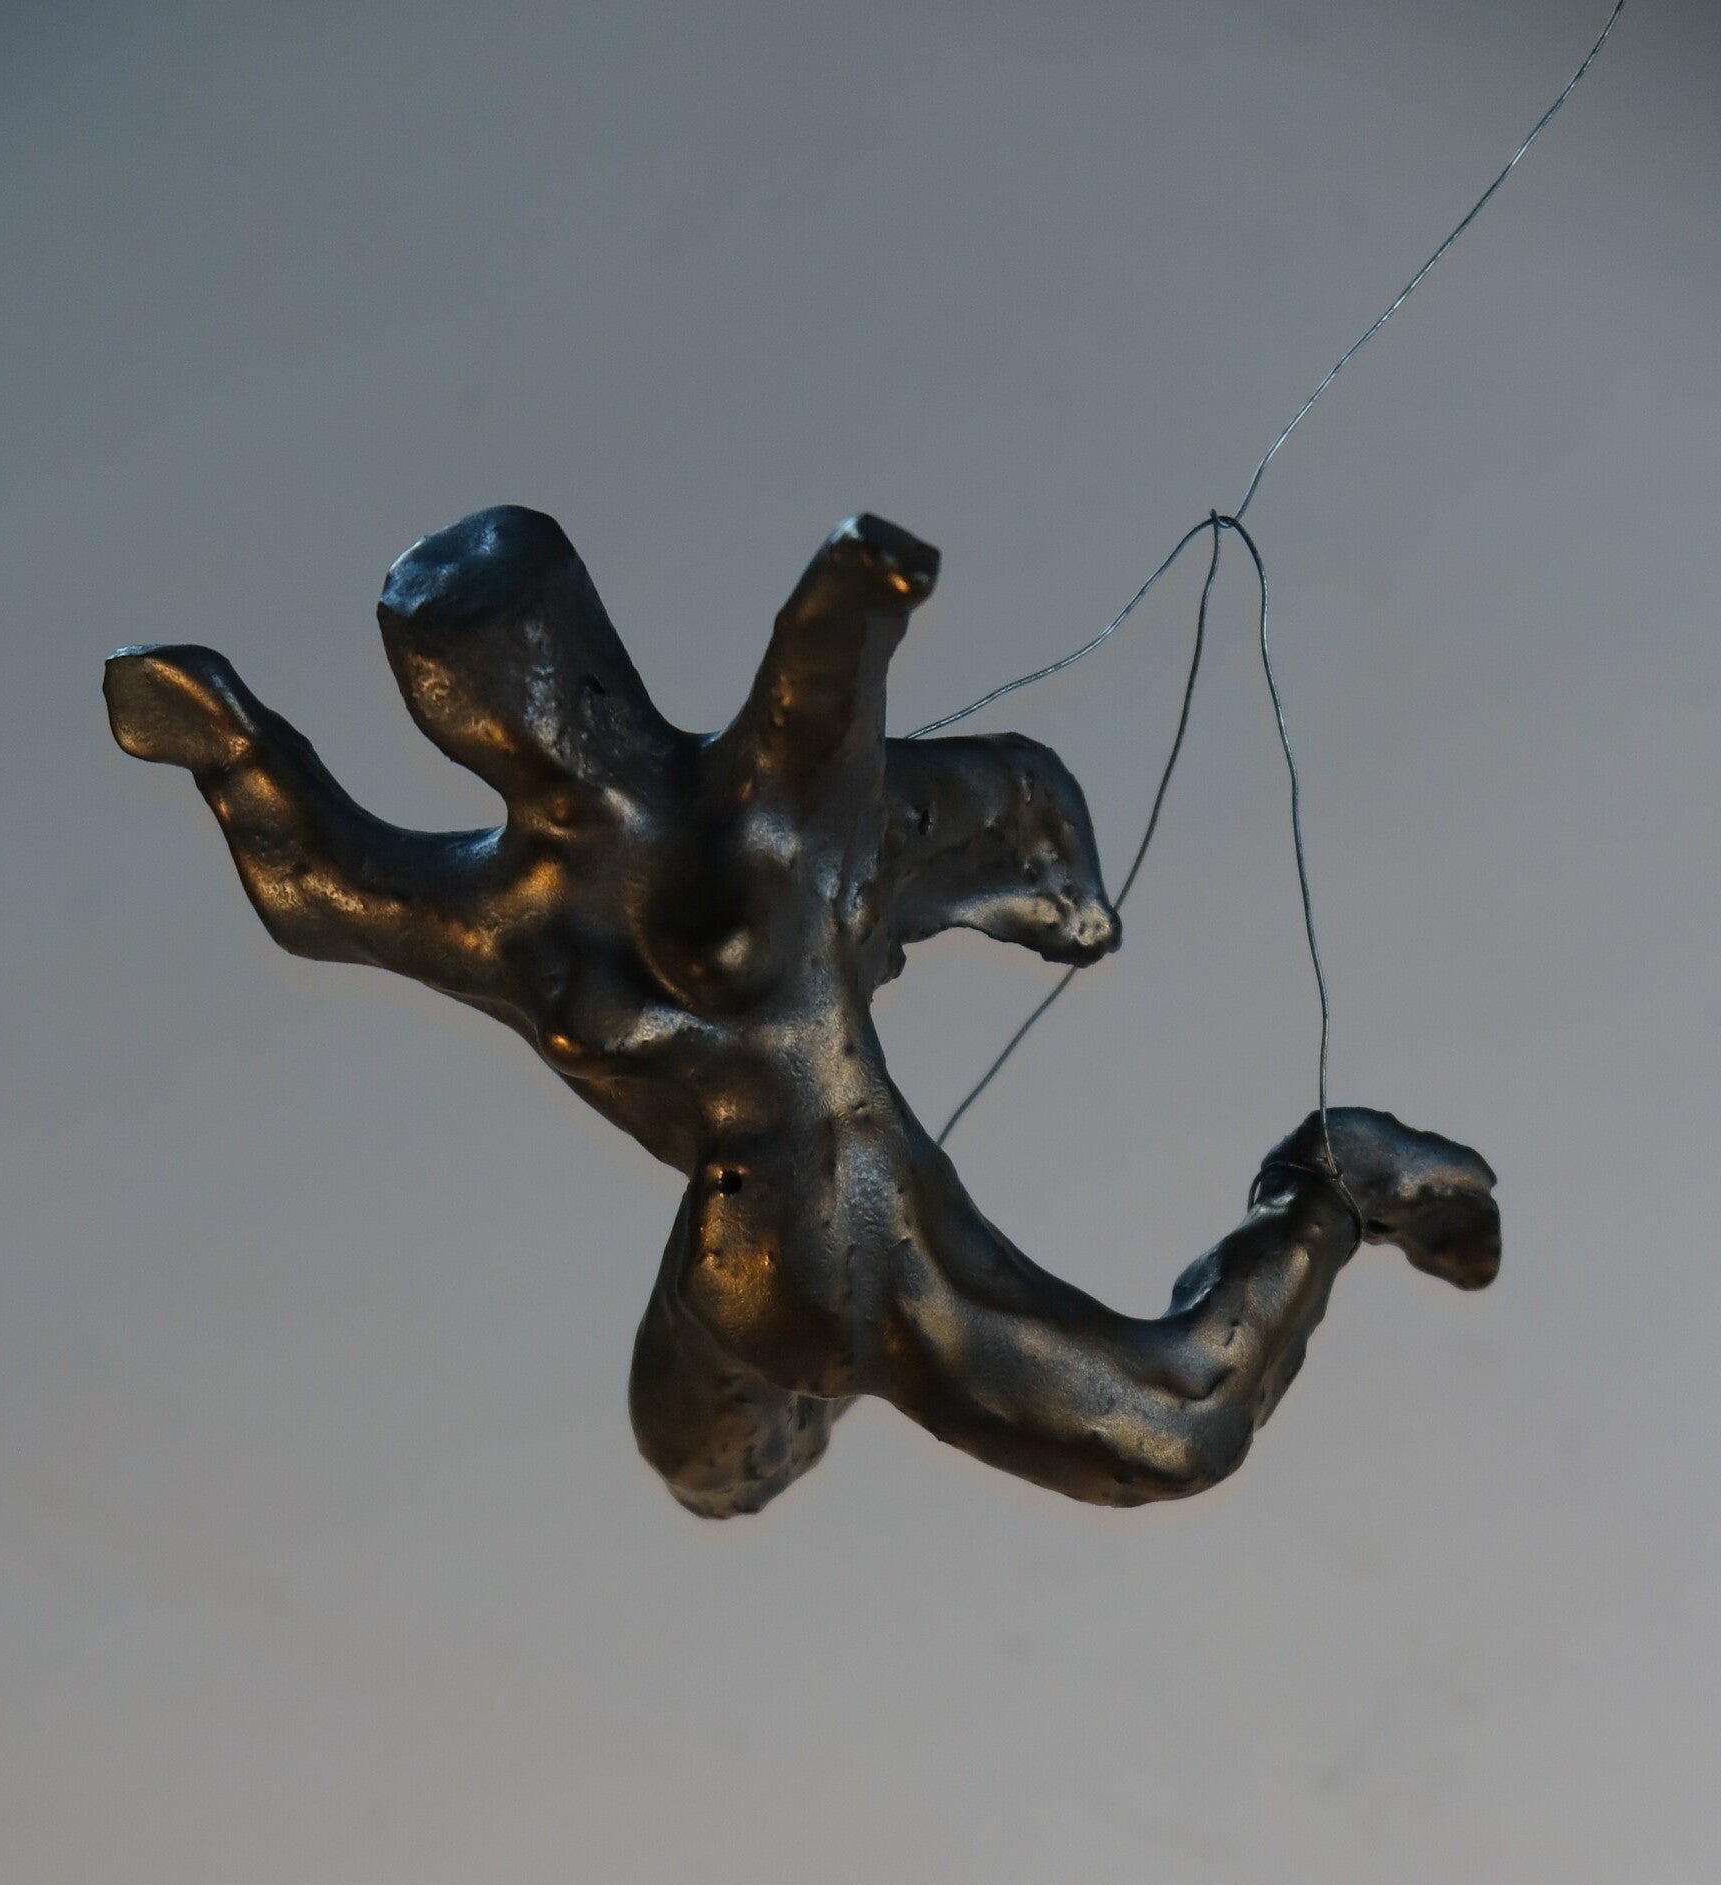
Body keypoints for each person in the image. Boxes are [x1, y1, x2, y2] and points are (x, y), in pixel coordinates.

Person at [105, 504, 1498, 1519]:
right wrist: (228, 745)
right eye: (452, 697)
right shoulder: (503, 905)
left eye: (502, 676)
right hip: (739, 1270)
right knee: (704, 1464)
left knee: (1174, 1424)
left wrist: (858, 589)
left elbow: (819, 700)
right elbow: (327, 891)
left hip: (861, 1227)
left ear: (583, 662)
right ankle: (806, 1398)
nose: (489, 719)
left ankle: (1331, 1181)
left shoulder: (755, 818)